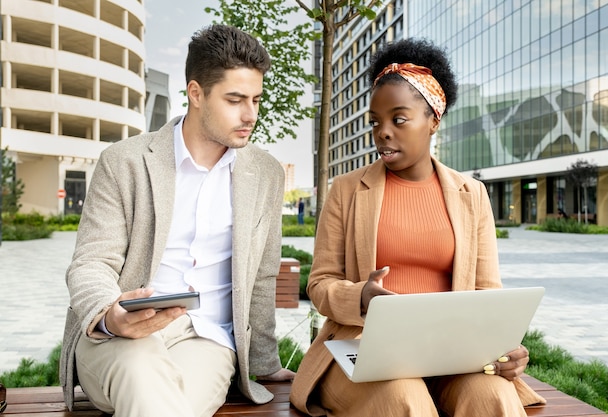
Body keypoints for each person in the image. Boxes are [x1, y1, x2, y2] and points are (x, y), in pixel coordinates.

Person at [290, 38, 546, 416]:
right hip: (363, 351)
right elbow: (320, 283)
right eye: (375, 122)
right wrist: (361, 297)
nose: (383, 132)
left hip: (453, 353)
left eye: (399, 118)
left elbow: (488, 294)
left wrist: (506, 347)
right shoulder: (346, 190)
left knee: (494, 397)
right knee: (403, 400)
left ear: (433, 120)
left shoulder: (471, 194)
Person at [60, 24, 295, 416]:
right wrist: (110, 316)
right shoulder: (124, 162)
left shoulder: (265, 174)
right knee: (142, 373)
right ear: (196, 93)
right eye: (235, 99)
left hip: (209, 342)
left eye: (256, 99)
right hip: (119, 339)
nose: (250, 114)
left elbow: (262, 278)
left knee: (163, 404)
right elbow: (91, 263)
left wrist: (265, 364)